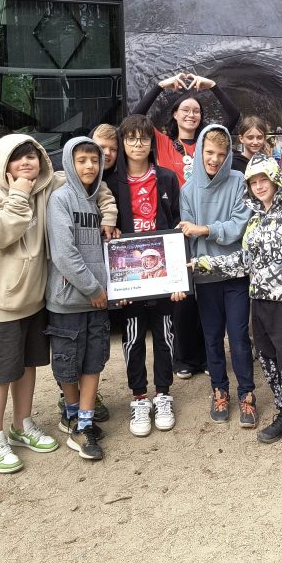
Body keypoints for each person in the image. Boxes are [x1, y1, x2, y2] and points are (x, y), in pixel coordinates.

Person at [0, 134, 117, 474]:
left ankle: (21, 425)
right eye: (17, 157)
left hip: (35, 297)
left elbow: (94, 184)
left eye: (32, 156)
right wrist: (19, 193)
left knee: (28, 365)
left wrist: (108, 214)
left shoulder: (47, 186)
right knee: (0, 372)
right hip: (2, 298)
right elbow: (1, 235)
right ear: (3, 163)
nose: (26, 163)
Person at [192, 154, 282, 456]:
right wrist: (204, 263)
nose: (259, 186)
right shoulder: (255, 220)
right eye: (253, 182)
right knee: (269, 362)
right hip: (259, 302)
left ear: (276, 180)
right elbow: (244, 261)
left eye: (264, 180)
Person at [134, 74, 229, 378]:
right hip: (175, 224)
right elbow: (136, 118)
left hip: (205, 222)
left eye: (196, 110)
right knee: (182, 294)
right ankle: (183, 358)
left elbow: (233, 118)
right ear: (174, 114)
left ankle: (207, 356)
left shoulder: (207, 144)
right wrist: (160, 87)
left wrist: (213, 86)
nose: (191, 114)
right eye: (185, 109)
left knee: (208, 292)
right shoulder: (162, 142)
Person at [105, 114, 186, 437]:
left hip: (163, 274)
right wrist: (116, 286)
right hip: (129, 276)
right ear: (122, 143)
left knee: (165, 335)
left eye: (144, 138)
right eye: (131, 138)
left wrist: (179, 279)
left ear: (152, 142)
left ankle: (163, 394)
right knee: (133, 336)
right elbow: (108, 233)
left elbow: (177, 225)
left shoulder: (166, 178)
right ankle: (139, 397)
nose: (138, 144)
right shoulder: (111, 183)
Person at [178, 124, 256, 427]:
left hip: (235, 274)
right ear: (199, 151)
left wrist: (205, 229)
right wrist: (182, 277)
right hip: (205, 277)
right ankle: (219, 390)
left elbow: (239, 225)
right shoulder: (188, 189)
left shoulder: (238, 182)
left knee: (239, 337)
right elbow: (186, 236)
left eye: (221, 155)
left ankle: (247, 393)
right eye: (209, 153)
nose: (214, 159)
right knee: (212, 338)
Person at [45, 137, 112, 461]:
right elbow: (64, 254)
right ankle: (72, 414)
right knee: (68, 364)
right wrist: (93, 289)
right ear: (69, 164)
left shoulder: (97, 200)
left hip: (97, 300)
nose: (89, 166)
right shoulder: (60, 199)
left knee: (94, 361)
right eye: (82, 160)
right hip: (69, 300)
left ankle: (84, 421)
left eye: (95, 160)